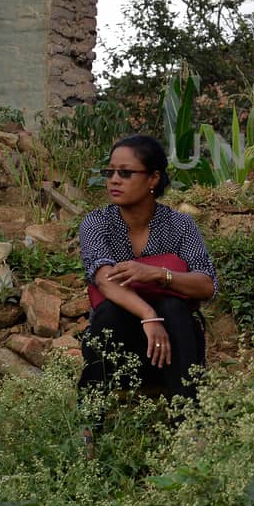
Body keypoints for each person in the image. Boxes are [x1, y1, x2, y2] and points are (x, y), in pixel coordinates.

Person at [78, 135, 217, 410]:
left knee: (174, 307)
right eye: (110, 172)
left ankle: (188, 424)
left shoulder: (180, 225)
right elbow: (104, 281)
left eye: (126, 173)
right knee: (111, 312)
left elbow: (207, 285)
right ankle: (88, 426)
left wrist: (157, 274)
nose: (114, 180)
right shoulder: (96, 223)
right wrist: (148, 316)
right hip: (118, 349)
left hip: (177, 347)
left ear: (153, 178)